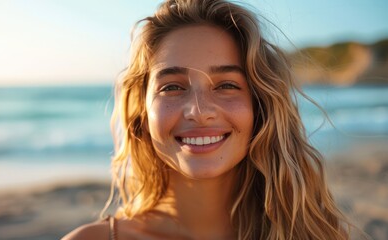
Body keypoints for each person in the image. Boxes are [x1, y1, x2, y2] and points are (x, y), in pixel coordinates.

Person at [63, 0, 355, 239]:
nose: (199, 111)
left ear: (260, 106)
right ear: (142, 113)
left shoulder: (314, 234)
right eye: (172, 87)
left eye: (226, 85)